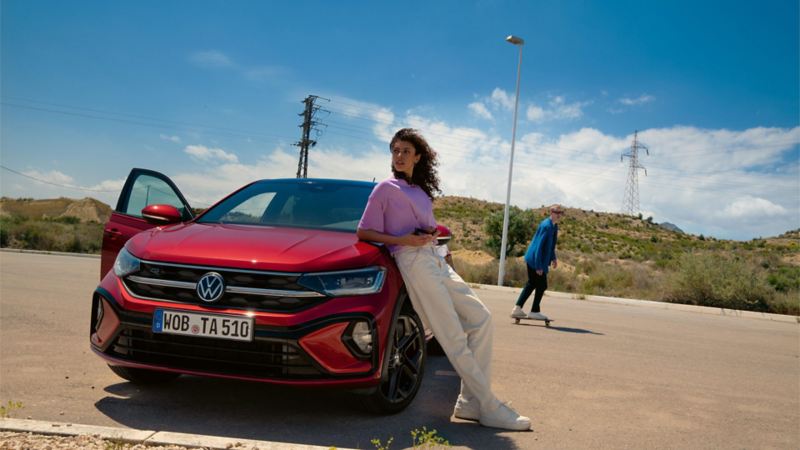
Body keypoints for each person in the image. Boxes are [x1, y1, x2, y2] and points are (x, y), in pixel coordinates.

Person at [357, 128, 531, 431]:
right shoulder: (385, 189)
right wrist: (402, 240)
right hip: (412, 262)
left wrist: (431, 234)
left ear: (418, 156)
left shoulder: (421, 192)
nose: (399, 156)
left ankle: (468, 403)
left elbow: (427, 228)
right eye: (395, 150)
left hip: (434, 258)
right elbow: (364, 232)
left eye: (405, 151)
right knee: (452, 336)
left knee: (482, 319)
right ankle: (490, 406)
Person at [511, 205, 563, 321]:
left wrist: (553, 258)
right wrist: (538, 265)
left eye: (561, 212)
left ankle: (517, 309)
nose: (559, 214)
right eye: (557, 212)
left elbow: (551, 245)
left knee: (532, 284)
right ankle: (534, 311)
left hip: (537, 259)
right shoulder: (546, 226)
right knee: (542, 285)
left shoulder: (554, 227)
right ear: (551, 212)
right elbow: (539, 246)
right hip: (535, 259)